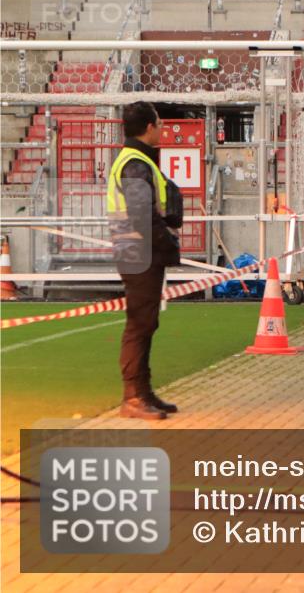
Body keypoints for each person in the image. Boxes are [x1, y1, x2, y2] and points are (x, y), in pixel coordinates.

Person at [107, 102, 183, 419]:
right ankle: (134, 398)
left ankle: (143, 392)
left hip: (138, 251)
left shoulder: (135, 159)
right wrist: (167, 244)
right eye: (160, 123)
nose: (163, 128)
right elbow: (142, 215)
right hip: (140, 252)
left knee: (146, 323)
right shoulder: (135, 163)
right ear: (149, 127)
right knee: (140, 325)